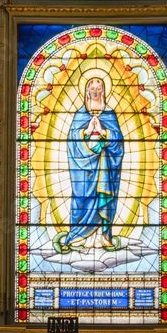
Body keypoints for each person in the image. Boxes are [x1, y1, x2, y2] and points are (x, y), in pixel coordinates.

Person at [61, 75, 124, 251]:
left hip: (104, 164)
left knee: (101, 197)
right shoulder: (80, 114)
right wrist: (87, 131)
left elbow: (118, 142)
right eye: (92, 89)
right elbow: (71, 140)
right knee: (82, 198)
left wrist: (104, 132)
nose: (95, 92)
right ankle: (78, 237)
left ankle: (99, 237)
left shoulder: (110, 114)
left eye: (98, 89)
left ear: (103, 90)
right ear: (87, 91)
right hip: (82, 166)